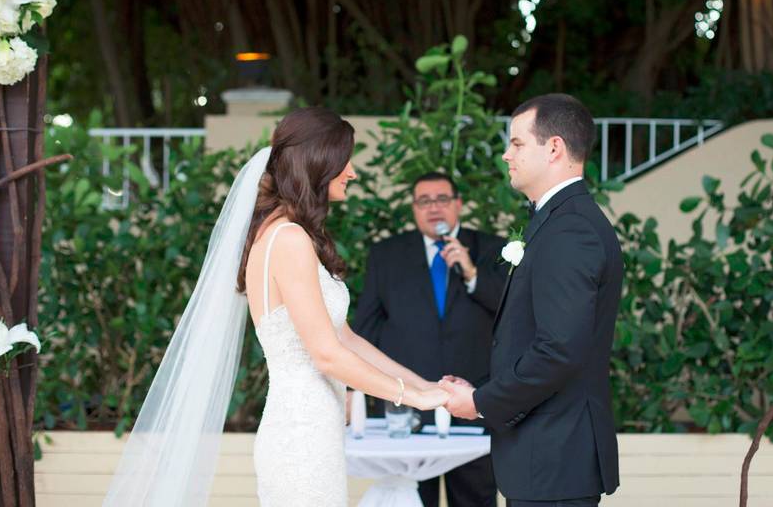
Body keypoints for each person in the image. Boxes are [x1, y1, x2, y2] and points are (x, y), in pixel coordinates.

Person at [104, 107, 447, 507]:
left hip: (315, 430)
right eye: (344, 160)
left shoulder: (289, 234)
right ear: (318, 164)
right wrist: (414, 398)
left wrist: (427, 386)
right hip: (300, 437)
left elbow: (345, 338)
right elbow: (326, 355)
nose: (352, 171)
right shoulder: (287, 239)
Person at [440, 94, 623, 507]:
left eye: (517, 143)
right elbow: (536, 341)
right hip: (546, 462)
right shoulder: (558, 221)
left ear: (554, 148)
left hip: (554, 462)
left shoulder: (570, 229)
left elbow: (559, 350)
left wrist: (480, 403)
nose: (507, 155)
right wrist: (484, 388)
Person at [353, 172, 507, 507]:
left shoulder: (493, 249)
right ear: (413, 208)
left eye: (441, 199)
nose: (433, 208)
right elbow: (367, 328)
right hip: (407, 404)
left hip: (473, 401)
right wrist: (357, 390)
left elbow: (512, 314)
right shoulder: (386, 254)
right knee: (411, 499)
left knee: (475, 499)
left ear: (458, 205)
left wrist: (471, 273)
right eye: (424, 201)